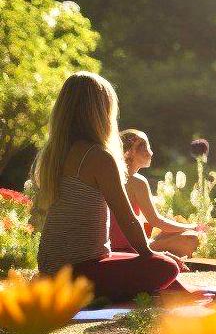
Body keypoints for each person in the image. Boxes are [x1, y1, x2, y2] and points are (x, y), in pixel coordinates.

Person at [33, 73, 185, 301]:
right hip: (79, 272)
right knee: (166, 267)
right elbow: (128, 219)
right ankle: (83, 294)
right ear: (100, 113)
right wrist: (149, 255)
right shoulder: (98, 156)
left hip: (51, 269)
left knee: (155, 263)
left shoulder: (54, 154)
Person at [109, 130, 202, 258]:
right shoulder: (137, 181)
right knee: (192, 239)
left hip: (116, 245)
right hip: (131, 248)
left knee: (183, 233)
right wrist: (193, 227)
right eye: (145, 147)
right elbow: (156, 221)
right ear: (129, 152)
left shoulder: (110, 177)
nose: (151, 152)